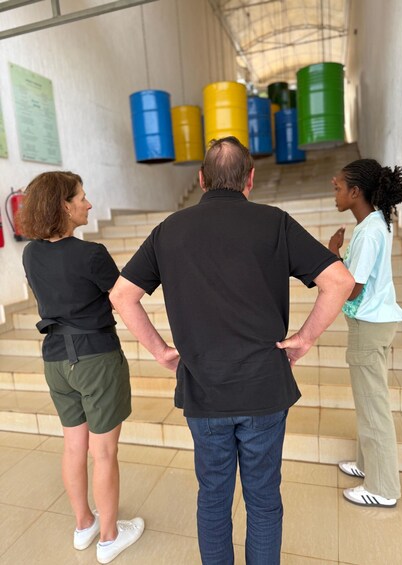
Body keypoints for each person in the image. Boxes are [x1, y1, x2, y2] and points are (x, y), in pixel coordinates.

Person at [110, 136, 354, 564]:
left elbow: (121, 295)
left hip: (204, 390)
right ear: (250, 179)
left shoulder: (169, 230)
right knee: (263, 499)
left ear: (202, 179)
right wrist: (305, 338)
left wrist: (161, 351)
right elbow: (340, 281)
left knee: (213, 497)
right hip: (264, 387)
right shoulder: (274, 222)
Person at [20, 171, 144, 564]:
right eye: (81, 197)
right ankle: (109, 538)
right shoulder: (91, 254)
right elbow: (122, 299)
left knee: (74, 445)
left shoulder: (31, 253)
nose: (88, 204)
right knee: (103, 452)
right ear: (64, 205)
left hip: (56, 359)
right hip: (95, 358)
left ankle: (84, 525)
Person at [328, 158, 402, 508]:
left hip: (369, 327)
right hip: (374, 323)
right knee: (368, 400)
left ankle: (383, 488)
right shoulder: (373, 224)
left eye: (338, 187)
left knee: (373, 406)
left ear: (355, 192)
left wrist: (332, 255)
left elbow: (353, 289)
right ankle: (367, 465)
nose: (334, 191)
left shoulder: (371, 230)